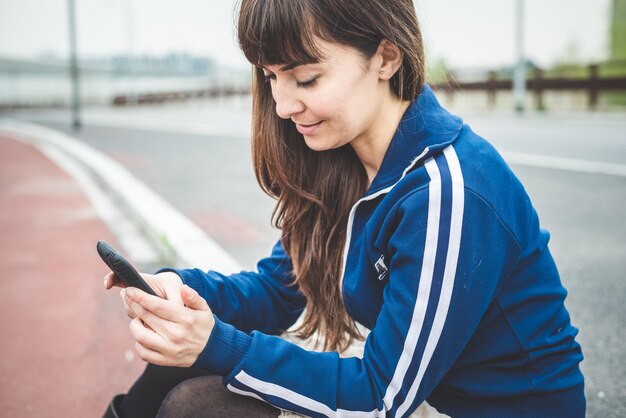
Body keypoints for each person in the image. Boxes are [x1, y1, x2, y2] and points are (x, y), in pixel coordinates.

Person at [103, 0, 586, 416]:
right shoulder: (348, 163)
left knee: (200, 404)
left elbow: (380, 398)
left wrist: (217, 345)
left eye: (306, 79)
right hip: (428, 401)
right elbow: (278, 290)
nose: (282, 106)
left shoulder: (446, 192)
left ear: (386, 57)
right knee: (181, 366)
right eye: (272, 77)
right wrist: (180, 289)